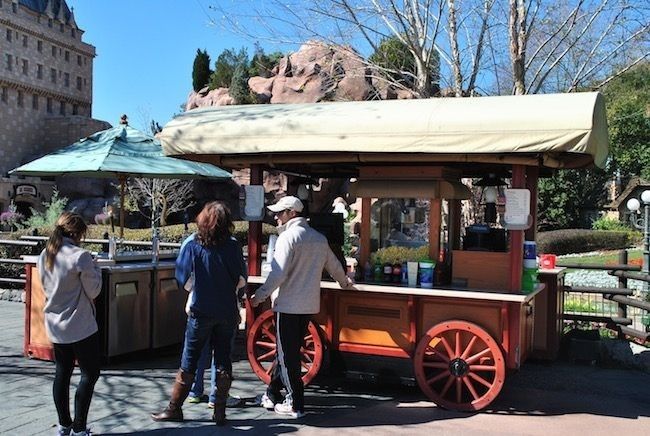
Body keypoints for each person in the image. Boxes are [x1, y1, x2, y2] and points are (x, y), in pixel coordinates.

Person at [250, 196, 353, 418]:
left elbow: (277, 274)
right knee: (287, 352)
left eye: (280, 212)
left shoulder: (288, 238)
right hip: (307, 305)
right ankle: (272, 393)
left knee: (287, 355)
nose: (276, 216)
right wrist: (345, 283)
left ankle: (294, 402)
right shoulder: (318, 238)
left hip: (287, 304)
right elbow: (334, 266)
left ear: (291, 213)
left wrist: (259, 296)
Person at [152, 202, 246, 426]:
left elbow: (182, 277)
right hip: (226, 311)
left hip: (200, 310)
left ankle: (175, 408)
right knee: (223, 360)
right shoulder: (233, 246)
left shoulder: (193, 244)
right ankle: (219, 411)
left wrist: (197, 288)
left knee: (190, 359)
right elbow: (241, 279)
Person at [37, 212, 102, 436]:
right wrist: (96, 268)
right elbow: (94, 290)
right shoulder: (80, 256)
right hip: (80, 324)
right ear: (76, 233)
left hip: (55, 323)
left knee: (62, 373)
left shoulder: (46, 254)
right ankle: (80, 427)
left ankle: (64, 424)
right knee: (89, 373)